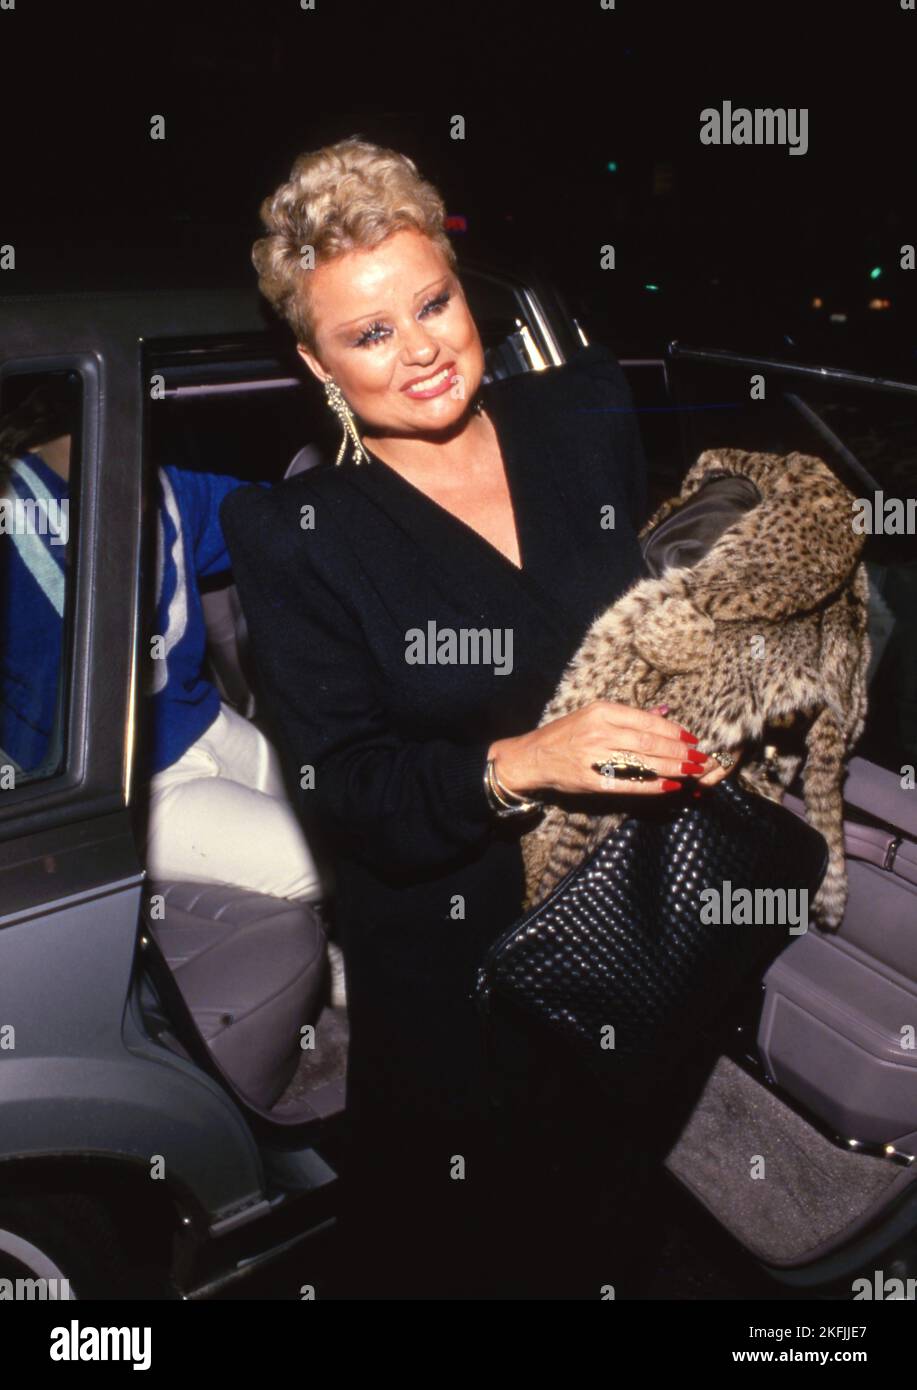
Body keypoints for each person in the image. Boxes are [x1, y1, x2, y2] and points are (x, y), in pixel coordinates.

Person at [221, 137, 738, 1299]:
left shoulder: (583, 411)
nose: (420, 353)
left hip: (637, 922)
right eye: (369, 334)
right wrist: (523, 760)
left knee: (621, 1213)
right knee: (476, 1249)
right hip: (462, 970)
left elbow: (654, 617)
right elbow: (347, 791)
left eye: (433, 304)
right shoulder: (296, 534)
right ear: (316, 361)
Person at [0, 381, 331, 913]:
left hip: (203, 722)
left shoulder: (166, 486)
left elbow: (278, 517)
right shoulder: (11, 511)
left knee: (345, 812)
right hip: (122, 789)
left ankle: (332, 966)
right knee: (332, 860)